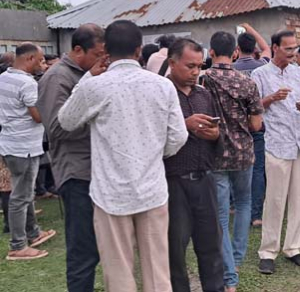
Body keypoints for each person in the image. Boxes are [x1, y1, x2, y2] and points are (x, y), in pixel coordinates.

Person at [58, 20, 188, 292]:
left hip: (110, 194)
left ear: (106, 50)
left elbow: (67, 120)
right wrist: (154, 154)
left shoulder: (96, 86)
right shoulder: (162, 86)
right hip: (152, 190)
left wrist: (87, 78)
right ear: (139, 50)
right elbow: (178, 135)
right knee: (158, 273)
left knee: (118, 276)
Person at [38, 24, 105, 291]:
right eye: (99, 54)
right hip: (77, 173)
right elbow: (55, 128)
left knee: (100, 247)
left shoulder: (88, 72)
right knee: (83, 252)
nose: (103, 61)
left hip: (97, 171)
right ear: (78, 50)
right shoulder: (58, 77)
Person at [252, 30, 300, 275]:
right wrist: (270, 98)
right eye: (288, 49)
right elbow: (254, 108)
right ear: (275, 47)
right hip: (277, 143)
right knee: (275, 200)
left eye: (295, 48)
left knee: (299, 198)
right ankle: (268, 252)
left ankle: (293, 248)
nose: (293, 53)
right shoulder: (260, 74)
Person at [204, 31, 264, 292]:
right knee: (244, 204)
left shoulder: (203, 80)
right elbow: (256, 123)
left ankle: (229, 273)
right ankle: (236, 260)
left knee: (220, 216)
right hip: (244, 152)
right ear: (235, 51)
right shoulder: (248, 82)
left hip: (216, 153)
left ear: (211, 51)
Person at [165, 38, 225, 292]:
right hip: (173, 183)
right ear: (172, 62)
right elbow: (151, 138)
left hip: (204, 179)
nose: (195, 72)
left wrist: (216, 136)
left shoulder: (204, 94)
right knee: (175, 250)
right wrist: (184, 125)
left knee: (211, 246)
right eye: (190, 66)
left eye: (199, 66)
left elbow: (219, 136)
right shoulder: (161, 93)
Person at [0, 43, 56, 261]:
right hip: (23, 146)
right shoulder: (27, 83)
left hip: (11, 143)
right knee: (20, 197)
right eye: (40, 60)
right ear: (30, 58)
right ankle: (18, 245)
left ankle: (33, 233)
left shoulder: (3, 78)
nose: (41, 64)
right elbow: (38, 116)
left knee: (24, 193)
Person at [233, 23, 271, 227]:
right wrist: (251, 28)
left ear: (237, 49)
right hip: (258, 123)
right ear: (254, 48)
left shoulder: (231, 70)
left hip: (236, 126)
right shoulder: (262, 66)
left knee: (236, 167)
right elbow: (267, 48)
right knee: (257, 170)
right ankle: (256, 214)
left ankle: (236, 206)